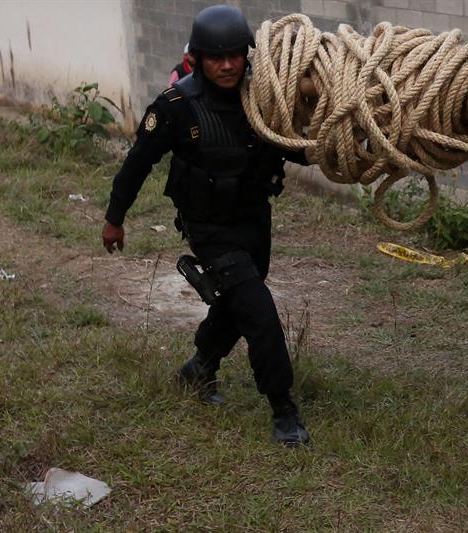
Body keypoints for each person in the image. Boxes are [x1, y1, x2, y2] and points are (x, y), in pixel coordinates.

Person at [102, 4, 313, 446]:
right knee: (259, 313)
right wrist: (114, 219)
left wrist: (343, 142)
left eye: (235, 54)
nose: (227, 64)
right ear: (196, 57)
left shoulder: (262, 99)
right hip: (210, 229)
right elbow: (137, 163)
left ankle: (199, 369)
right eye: (216, 57)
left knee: (238, 305)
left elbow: (298, 148)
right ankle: (284, 412)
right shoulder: (175, 107)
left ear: (246, 54)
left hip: (255, 221)